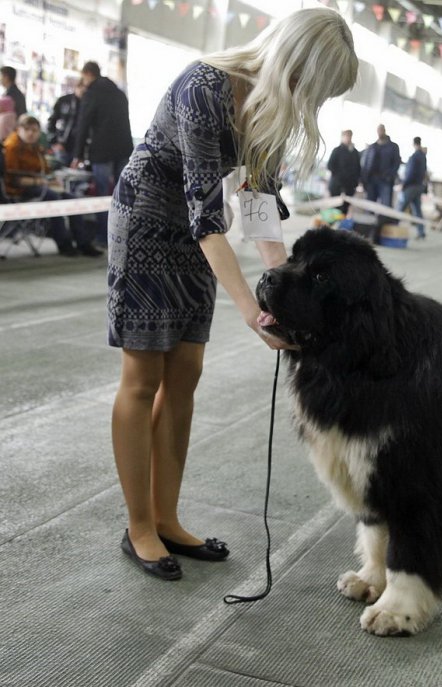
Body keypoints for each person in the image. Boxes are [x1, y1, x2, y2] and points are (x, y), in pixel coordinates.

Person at [107, 8, 357, 581]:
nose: (309, 101)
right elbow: (205, 212)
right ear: (293, 62)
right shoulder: (205, 85)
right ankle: (139, 526)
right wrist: (252, 310)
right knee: (143, 377)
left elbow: (260, 205)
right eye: (311, 87)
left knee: (186, 372)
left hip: (199, 232)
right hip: (148, 220)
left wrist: (284, 291)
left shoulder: (268, 108)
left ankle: (166, 518)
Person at [3, 114, 102, 257]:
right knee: (53, 198)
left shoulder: (36, 149)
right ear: (19, 129)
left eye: (35, 130)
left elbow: (46, 171)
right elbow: (14, 180)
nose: (31, 133)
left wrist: (52, 180)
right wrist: (42, 182)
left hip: (41, 186)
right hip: (19, 190)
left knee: (73, 199)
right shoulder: (11, 147)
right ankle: (64, 243)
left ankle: (83, 243)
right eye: (27, 129)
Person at [70, 61, 134, 245]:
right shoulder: (119, 93)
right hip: (123, 149)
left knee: (102, 194)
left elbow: (83, 125)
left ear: (88, 73)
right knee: (122, 195)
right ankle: (121, 237)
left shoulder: (92, 94)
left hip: (102, 151)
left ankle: (103, 236)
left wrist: (78, 154)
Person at [360, 123, 400, 208]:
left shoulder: (393, 147)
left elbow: (396, 163)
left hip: (385, 180)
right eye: (378, 130)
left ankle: (384, 221)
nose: (380, 132)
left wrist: (389, 175)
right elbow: (366, 164)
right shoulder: (372, 147)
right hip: (371, 180)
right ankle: (370, 220)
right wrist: (364, 179)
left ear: (385, 131)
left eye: (381, 130)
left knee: (385, 205)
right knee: (370, 205)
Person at [47, 82, 86, 167]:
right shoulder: (64, 101)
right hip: (61, 145)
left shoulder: (88, 104)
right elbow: (51, 121)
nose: (83, 91)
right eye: (82, 88)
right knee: (59, 168)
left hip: (77, 148)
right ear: (77, 87)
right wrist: (54, 142)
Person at [397, 136, 427, 239]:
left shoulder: (414, 157)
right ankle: (421, 231)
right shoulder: (423, 156)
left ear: (413, 143)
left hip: (411, 186)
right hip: (419, 186)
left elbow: (410, 174)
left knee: (400, 208)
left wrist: (403, 185)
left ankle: (393, 227)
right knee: (417, 210)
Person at [326, 128, 360, 214]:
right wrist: (339, 176)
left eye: (350, 136)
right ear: (343, 137)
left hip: (349, 186)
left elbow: (358, 169)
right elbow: (330, 165)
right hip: (337, 185)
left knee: (345, 208)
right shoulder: (336, 151)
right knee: (335, 208)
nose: (348, 138)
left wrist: (356, 182)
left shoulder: (355, 153)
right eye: (346, 136)